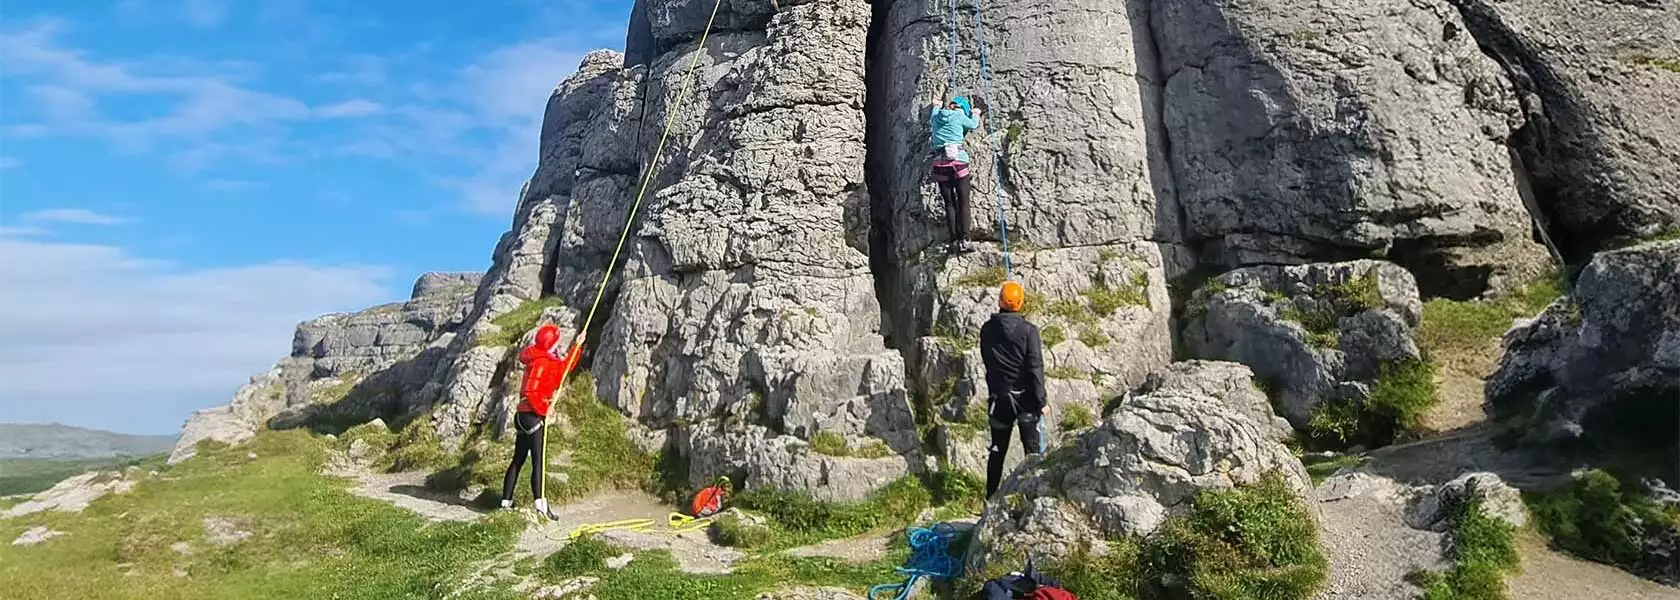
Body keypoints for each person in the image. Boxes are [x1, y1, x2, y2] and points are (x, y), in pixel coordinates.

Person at [500, 323, 584, 520]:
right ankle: (541, 508)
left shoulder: (537, 358)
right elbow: (531, 391)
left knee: (518, 460)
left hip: (522, 416)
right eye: (557, 341)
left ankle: (505, 503)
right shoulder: (543, 362)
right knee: (538, 462)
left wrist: (578, 345)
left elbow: (564, 367)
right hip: (533, 416)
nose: (559, 343)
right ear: (551, 343)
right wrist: (545, 410)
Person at [978, 280, 1048, 499]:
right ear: (1021, 303)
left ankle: (990, 498)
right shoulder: (1029, 331)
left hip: (999, 398)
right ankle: (1032, 498)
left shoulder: (987, 330)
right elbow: (1035, 367)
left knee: (997, 450)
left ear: (1000, 301)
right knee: (1032, 453)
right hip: (1025, 398)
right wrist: (1041, 401)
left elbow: (988, 360)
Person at [930, 95, 982, 254]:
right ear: (962, 109)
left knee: (949, 203)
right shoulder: (960, 116)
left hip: (939, 164)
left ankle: (953, 241)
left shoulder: (936, 117)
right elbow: (973, 124)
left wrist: (936, 105)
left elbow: (934, 112)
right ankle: (965, 240)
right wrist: (976, 113)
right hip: (958, 161)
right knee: (963, 201)